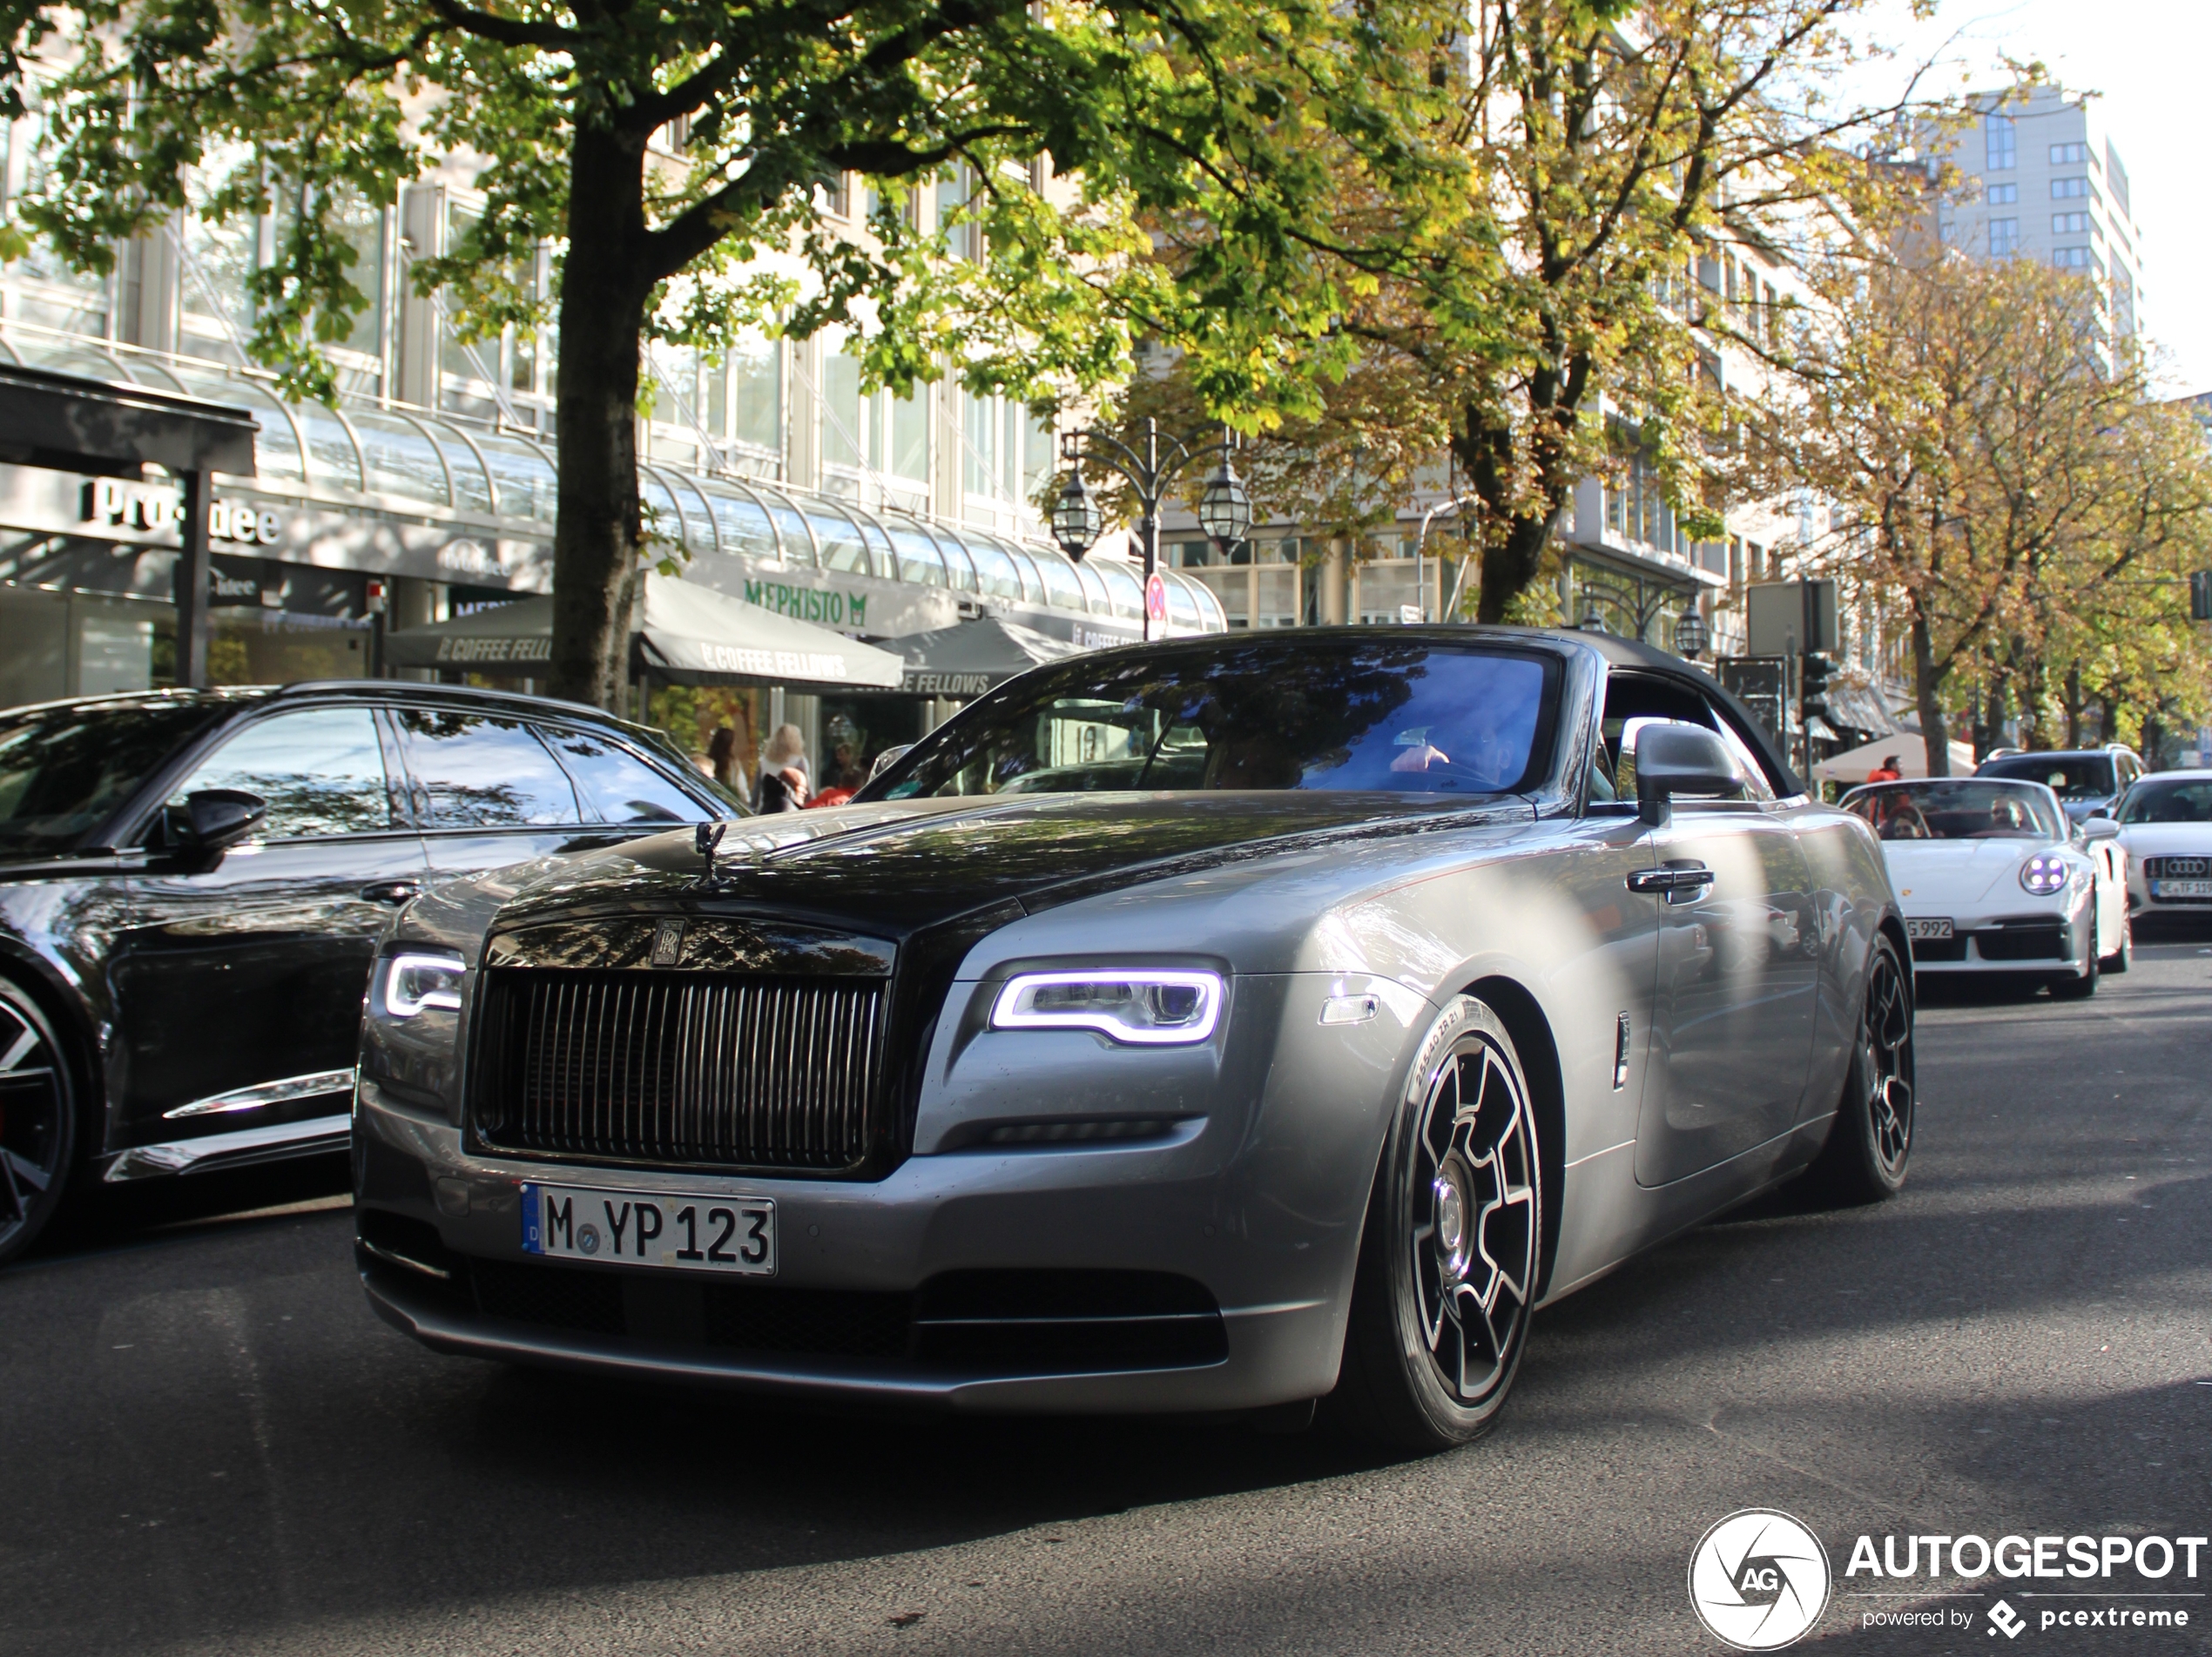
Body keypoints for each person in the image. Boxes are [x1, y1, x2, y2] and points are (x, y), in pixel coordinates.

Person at [753, 724, 807, 812]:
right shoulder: (799, 760)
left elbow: (756, 793)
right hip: (790, 808)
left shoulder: (763, 761)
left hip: (766, 808)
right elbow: (806, 790)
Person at [706, 718, 738, 787]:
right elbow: (742, 790)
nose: (735, 745)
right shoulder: (734, 765)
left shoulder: (706, 761)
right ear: (730, 745)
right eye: (733, 742)